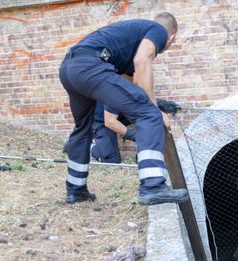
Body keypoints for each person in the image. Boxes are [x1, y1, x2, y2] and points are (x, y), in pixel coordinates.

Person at [59, 12, 189, 204]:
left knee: (83, 129)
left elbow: (133, 82)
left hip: (69, 68)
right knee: (149, 114)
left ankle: (75, 190)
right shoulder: (159, 31)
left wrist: (155, 102)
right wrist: (156, 110)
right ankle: (153, 187)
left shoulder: (131, 43)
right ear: (173, 37)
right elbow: (142, 61)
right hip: (90, 65)